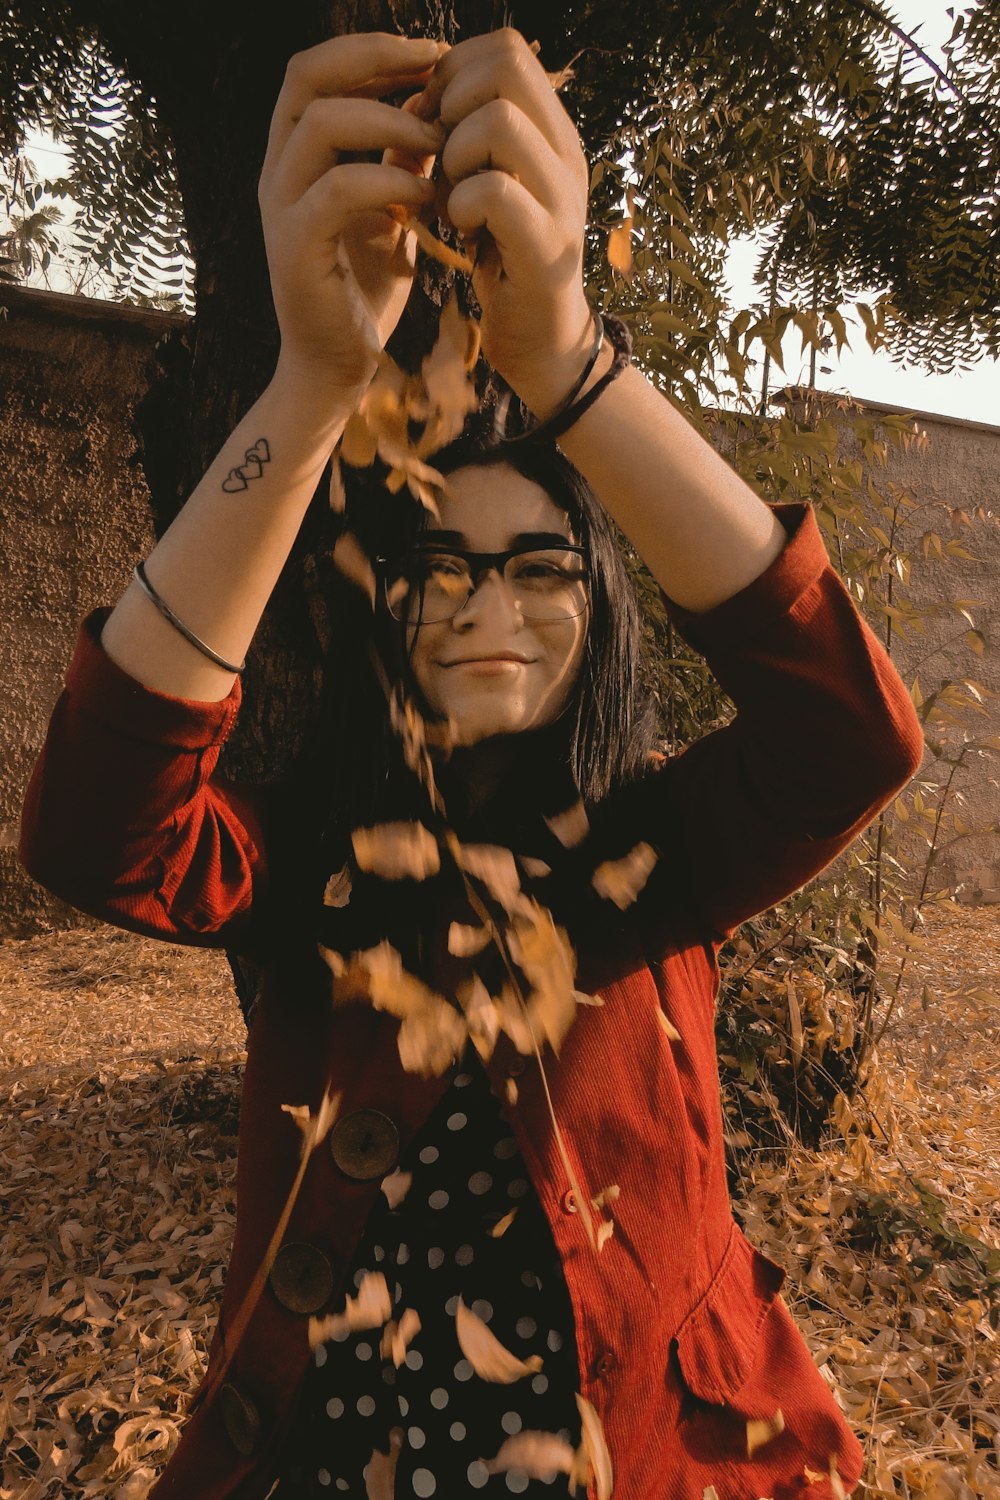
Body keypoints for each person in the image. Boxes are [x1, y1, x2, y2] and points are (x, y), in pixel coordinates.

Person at [19, 27, 924, 1500]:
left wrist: (564, 355)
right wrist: (314, 385)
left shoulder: (663, 854)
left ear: (604, 604)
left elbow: (850, 732)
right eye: (437, 565)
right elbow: (94, 830)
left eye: (540, 565)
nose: (488, 606)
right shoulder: (306, 861)